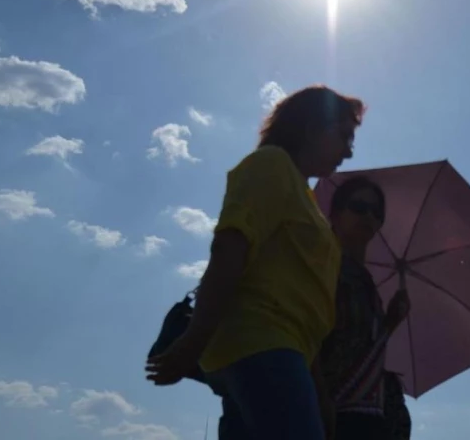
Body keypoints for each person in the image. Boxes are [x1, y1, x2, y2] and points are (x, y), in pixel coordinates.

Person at [146, 85, 365, 440]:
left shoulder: (303, 195)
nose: (349, 152)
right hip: (261, 345)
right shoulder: (271, 165)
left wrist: (318, 392)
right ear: (312, 127)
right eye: (343, 135)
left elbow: (300, 308)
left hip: (286, 351)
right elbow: (230, 250)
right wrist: (192, 342)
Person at [318, 176, 412, 439]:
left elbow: (360, 344)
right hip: (328, 410)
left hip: (364, 416)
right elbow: (306, 337)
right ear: (335, 214)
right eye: (358, 207)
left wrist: (390, 323)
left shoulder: (366, 282)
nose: (368, 216)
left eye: (376, 212)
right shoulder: (323, 266)